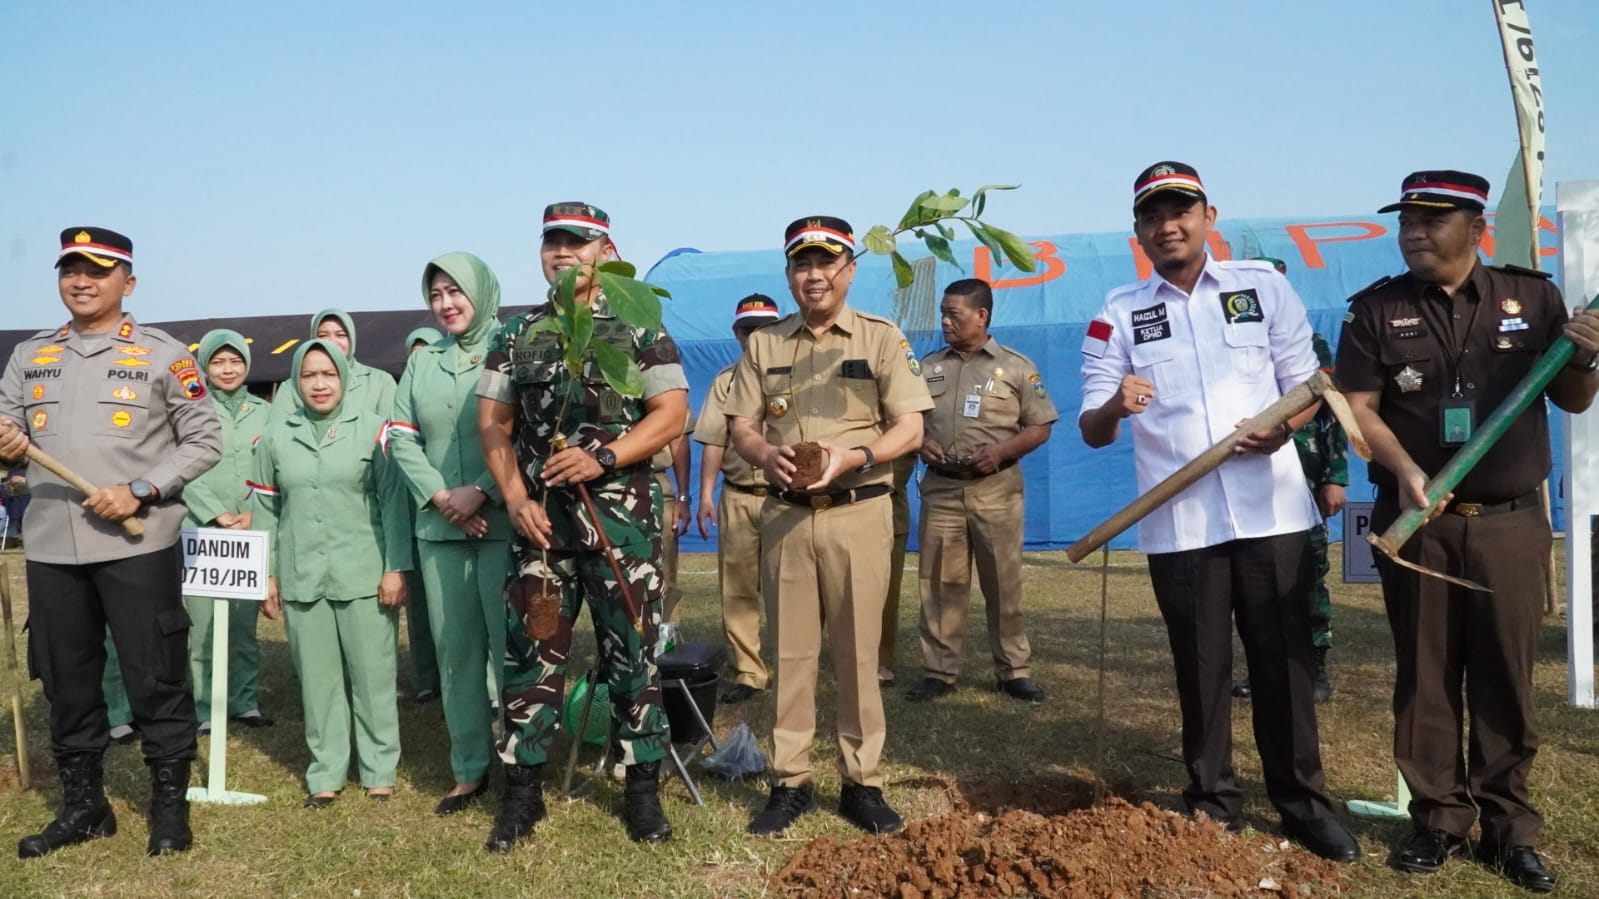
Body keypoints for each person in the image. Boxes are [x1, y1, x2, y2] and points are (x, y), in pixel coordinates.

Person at [1077, 164, 1358, 862]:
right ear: (1137, 231)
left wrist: (1285, 428)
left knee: (1283, 662)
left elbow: (1307, 384)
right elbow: (1090, 424)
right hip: (1180, 523)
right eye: (1152, 215)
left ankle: (1301, 804)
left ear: (1207, 216)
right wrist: (1117, 402)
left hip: (1273, 511)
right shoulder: (1115, 311)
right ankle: (1211, 800)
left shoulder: (1261, 287)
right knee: (1199, 666)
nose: (1166, 225)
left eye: (1180, 210)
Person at [1337, 170, 1599, 893]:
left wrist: (1583, 354)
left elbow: (1572, 400)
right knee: (1423, 677)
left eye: (1431, 218)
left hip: (1509, 524)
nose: (1413, 231)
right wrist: (1403, 469)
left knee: (1504, 678)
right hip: (1416, 522)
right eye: (1406, 220)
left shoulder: (1534, 297)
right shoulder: (1375, 310)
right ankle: (1437, 820)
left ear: (1474, 227)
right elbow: (1358, 407)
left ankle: (1508, 828)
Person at [477, 202, 689, 851]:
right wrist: (515, 499)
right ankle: (522, 797)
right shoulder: (518, 333)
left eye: (578, 242)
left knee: (633, 657)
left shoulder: (637, 324)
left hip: (622, 530)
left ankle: (641, 793)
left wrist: (604, 455)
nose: (563, 252)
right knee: (531, 660)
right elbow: (492, 421)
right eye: (553, 242)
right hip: (543, 531)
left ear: (606, 250)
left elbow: (672, 412)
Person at [2, 227, 220, 858]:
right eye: (70, 268)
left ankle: (169, 811)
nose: (81, 281)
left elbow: (204, 439)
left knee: (156, 678)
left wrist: (142, 489)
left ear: (128, 282)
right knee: (66, 682)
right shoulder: (29, 355)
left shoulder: (164, 355)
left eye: (97, 270)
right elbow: (6, 426)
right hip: (50, 546)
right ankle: (84, 806)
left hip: (136, 544)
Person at [726, 216, 933, 836]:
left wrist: (859, 457)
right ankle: (789, 780)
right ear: (789, 273)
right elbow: (742, 425)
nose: (812, 275)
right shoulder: (765, 344)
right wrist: (767, 456)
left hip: (858, 514)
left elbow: (911, 427)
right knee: (790, 653)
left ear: (848, 269)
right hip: (786, 515)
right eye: (800, 264)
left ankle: (861, 781)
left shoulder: (880, 338)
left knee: (857, 652)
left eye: (825, 262)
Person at [252, 339, 411, 807]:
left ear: (345, 377)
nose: (319, 384)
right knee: (317, 681)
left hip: (363, 572)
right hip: (304, 574)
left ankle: (380, 767)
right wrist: (266, 573)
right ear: (296, 382)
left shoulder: (373, 431)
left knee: (373, 676)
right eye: (309, 375)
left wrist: (395, 567)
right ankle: (326, 770)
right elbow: (265, 507)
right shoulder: (276, 435)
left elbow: (393, 505)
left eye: (329, 374)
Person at [389, 255, 511, 817]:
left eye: (456, 291)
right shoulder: (422, 363)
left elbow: (529, 426)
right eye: (436, 294)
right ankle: (470, 770)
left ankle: (522, 763)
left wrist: (482, 490)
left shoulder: (512, 346)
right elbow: (399, 437)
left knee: (515, 650)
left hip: (505, 524)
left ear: (481, 292)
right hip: (440, 530)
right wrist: (444, 498)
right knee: (457, 654)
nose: (446, 304)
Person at [908, 278, 1056, 704]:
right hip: (942, 491)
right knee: (939, 584)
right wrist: (920, 443)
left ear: (982, 316)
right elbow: (907, 421)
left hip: (997, 489)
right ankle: (939, 670)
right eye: (943, 312)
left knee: (1003, 583)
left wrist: (1002, 451)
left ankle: (1014, 671)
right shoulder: (927, 367)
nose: (945, 321)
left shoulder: (1015, 367)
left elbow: (1040, 426)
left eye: (953, 313)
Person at [181, 329, 272, 730]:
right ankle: (205, 707)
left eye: (235, 361)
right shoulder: (190, 411)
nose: (228, 369)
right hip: (202, 531)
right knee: (202, 625)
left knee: (242, 624)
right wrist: (217, 514)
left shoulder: (266, 411)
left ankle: (244, 701)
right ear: (206, 367)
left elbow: (274, 468)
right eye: (218, 361)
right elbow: (180, 468)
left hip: (251, 530)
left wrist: (254, 515)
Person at [694, 294, 782, 704]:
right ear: (737, 333)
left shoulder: (794, 374)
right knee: (739, 586)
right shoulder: (726, 381)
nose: (755, 336)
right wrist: (706, 495)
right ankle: (749, 669)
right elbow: (714, 439)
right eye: (748, 329)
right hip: (739, 495)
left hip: (787, 497)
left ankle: (793, 663)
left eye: (765, 327)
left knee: (791, 587)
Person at [399, 326, 443, 703]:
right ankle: (428, 677)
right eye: (415, 352)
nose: (422, 358)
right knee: (420, 607)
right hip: (416, 507)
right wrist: (437, 494)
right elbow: (401, 439)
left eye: (428, 350)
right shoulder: (404, 388)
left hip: (468, 505)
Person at [269, 309, 397, 420]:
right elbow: (277, 435)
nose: (332, 342)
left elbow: (390, 434)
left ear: (351, 339)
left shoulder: (381, 382)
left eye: (340, 335)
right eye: (323, 335)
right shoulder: (291, 387)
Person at [653, 412, 694, 623]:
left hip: (653, 483)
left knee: (664, 576)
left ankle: (666, 644)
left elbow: (678, 437)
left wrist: (684, 497)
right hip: (597, 483)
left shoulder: (661, 380)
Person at [878, 454, 914, 688]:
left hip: (887, 512)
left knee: (884, 595)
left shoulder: (899, 417)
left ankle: (881, 662)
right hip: (828, 506)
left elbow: (905, 456)